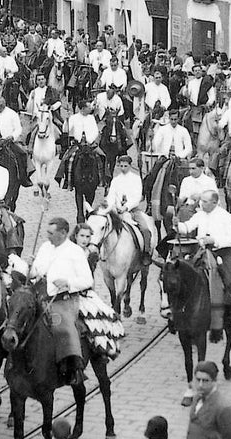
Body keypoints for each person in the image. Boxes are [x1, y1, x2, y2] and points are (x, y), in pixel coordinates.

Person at [30, 217, 95, 386]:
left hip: (64, 299)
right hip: (42, 295)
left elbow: (87, 280)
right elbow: (37, 269)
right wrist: (31, 270)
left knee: (64, 326)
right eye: (47, 232)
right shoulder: (45, 247)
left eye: (51, 233)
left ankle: (74, 367)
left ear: (63, 233)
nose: (48, 236)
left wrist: (68, 283)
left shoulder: (75, 251)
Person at [175, 190, 231, 329]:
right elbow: (188, 227)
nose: (202, 204)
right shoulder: (200, 214)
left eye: (205, 202)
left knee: (229, 281)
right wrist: (178, 224)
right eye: (202, 201)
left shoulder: (225, 216)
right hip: (202, 251)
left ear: (214, 202)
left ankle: (230, 315)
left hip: (222, 252)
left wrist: (214, 240)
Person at [105, 155, 158, 262]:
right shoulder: (115, 180)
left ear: (130, 166)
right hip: (117, 210)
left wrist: (127, 207)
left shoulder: (136, 179)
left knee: (145, 229)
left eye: (125, 166)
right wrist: (112, 206)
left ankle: (146, 253)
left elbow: (137, 196)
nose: (123, 168)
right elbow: (111, 195)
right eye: (121, 166)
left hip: (133, 210)